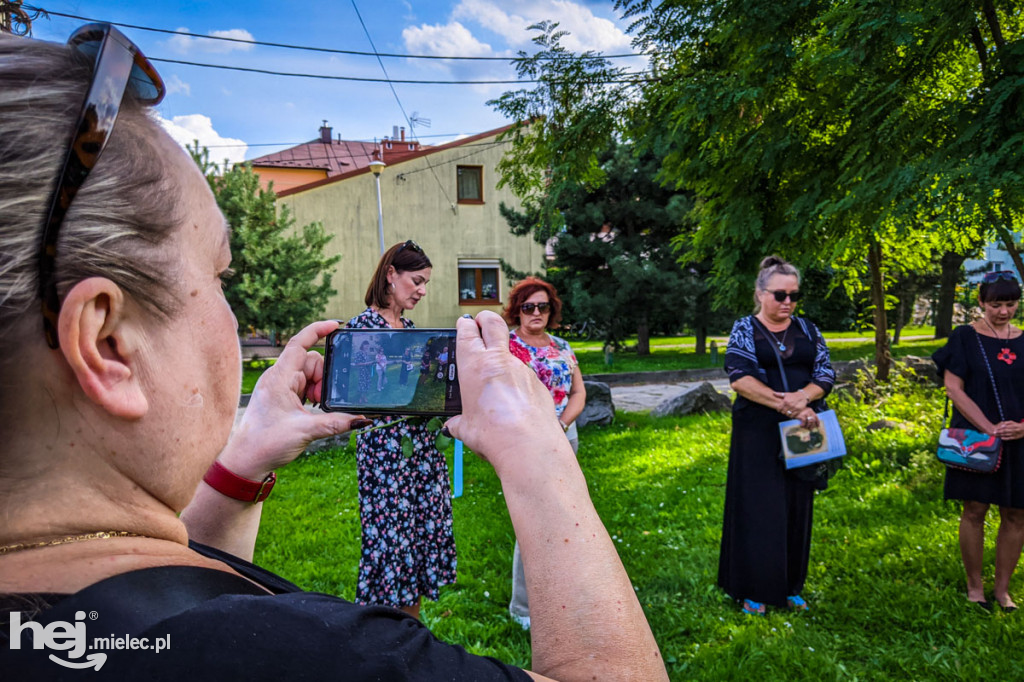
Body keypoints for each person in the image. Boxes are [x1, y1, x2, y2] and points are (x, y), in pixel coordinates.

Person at [0, 26, 669, 681]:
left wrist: (239, 470)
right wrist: (542, 459)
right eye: (219, 276)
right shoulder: (313, 656)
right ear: (108, 344)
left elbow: (178, 593)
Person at [719, 256, 836, 615]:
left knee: (797, 505)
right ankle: (753, 589)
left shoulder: (808, 329)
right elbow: (740, 378)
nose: (788, 302)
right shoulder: (744, 328)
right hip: (758, 431)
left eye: (794, 295)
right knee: (760, 507)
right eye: (780, 294)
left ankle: (789, 586)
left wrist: (806, 399)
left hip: (804, 429)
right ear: (760, 293)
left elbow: (826, 373)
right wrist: (788, 405)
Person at [345, 240, 455, 619]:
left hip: (421, 451)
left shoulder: (408, 328)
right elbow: (355, 396)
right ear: (391, 275)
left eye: (426, 283)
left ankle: (411, 627)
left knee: (419, 533)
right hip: (386, 455)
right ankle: (385, 632)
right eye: (418, 281)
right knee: (393, 540)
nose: (423, 290)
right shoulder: (362, 329)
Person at [932, 271, 1024, 612]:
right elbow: (953, 388)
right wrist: (990, 428)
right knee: (975, 509)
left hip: (1018, 438)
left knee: (1016, 514)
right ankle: (975, 586)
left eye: (1011, 304)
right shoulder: (964, 338)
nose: (1003, 312)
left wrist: (1022, 428)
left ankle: (1003, 590)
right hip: (975, 438)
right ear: (981, 302)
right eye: (996, 304)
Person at [501, 277, 587, 629]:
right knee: (533, 523)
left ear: (551, 311)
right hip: (527, 442)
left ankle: (561, 596)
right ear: (517, 310)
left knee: (564, 520)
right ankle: (522, 607)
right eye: (528, 306)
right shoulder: (506, 346)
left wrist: (562, 425)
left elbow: (578, 392)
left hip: (565, 438)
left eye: (543, 306)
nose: (536, 312)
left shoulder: (563, 346)